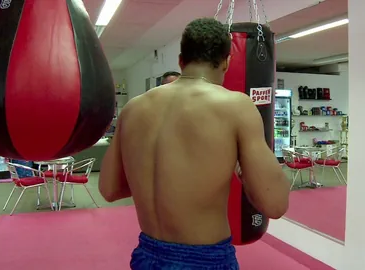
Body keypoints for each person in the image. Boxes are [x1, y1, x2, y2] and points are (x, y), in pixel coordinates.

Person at [98, 17, 290, 269]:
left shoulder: (133, 109)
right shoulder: (236, 106)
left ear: (181, 60)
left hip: (147, 255)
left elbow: (109, 189)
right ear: (227, 61)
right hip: (204, 260)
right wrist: (242, 173)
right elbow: (275, 204)